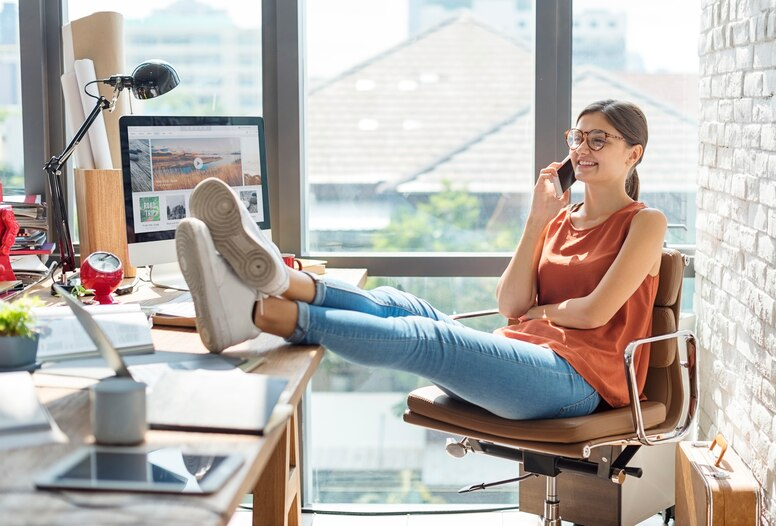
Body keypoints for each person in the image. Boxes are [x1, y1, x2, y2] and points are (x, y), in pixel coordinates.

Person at [176, 99, 667, 421]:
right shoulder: (560, 217)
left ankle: (259, 313)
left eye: (598, 139)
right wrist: (536, 221)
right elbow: (511, 303)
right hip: (530, 358)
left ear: (634, 154)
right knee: (394, 300)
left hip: (579, 382)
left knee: (429, 338)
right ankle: (278, 280)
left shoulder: (645, 222)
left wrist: (540, 314)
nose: (582, 149)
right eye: (577, 137)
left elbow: (594, 313)